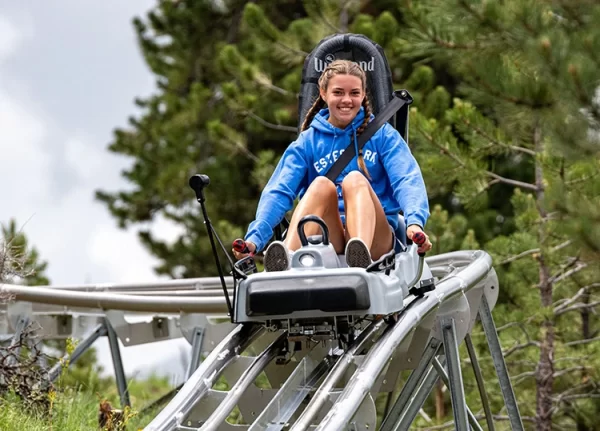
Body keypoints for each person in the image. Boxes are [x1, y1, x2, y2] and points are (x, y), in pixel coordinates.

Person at [233, 59, 432, 271]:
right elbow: (279, 191)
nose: (347, 100)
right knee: (320, 184)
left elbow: (407, 179)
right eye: (338, 92)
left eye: (354, 93)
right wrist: (254, 239)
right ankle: (285, 261)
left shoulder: (383, 135)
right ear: (323, 93)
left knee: (355, 179)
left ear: (363, 94)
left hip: (377, 240)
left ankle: (360, 258)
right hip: (330, 237)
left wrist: (414, 223)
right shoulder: (308, 141)